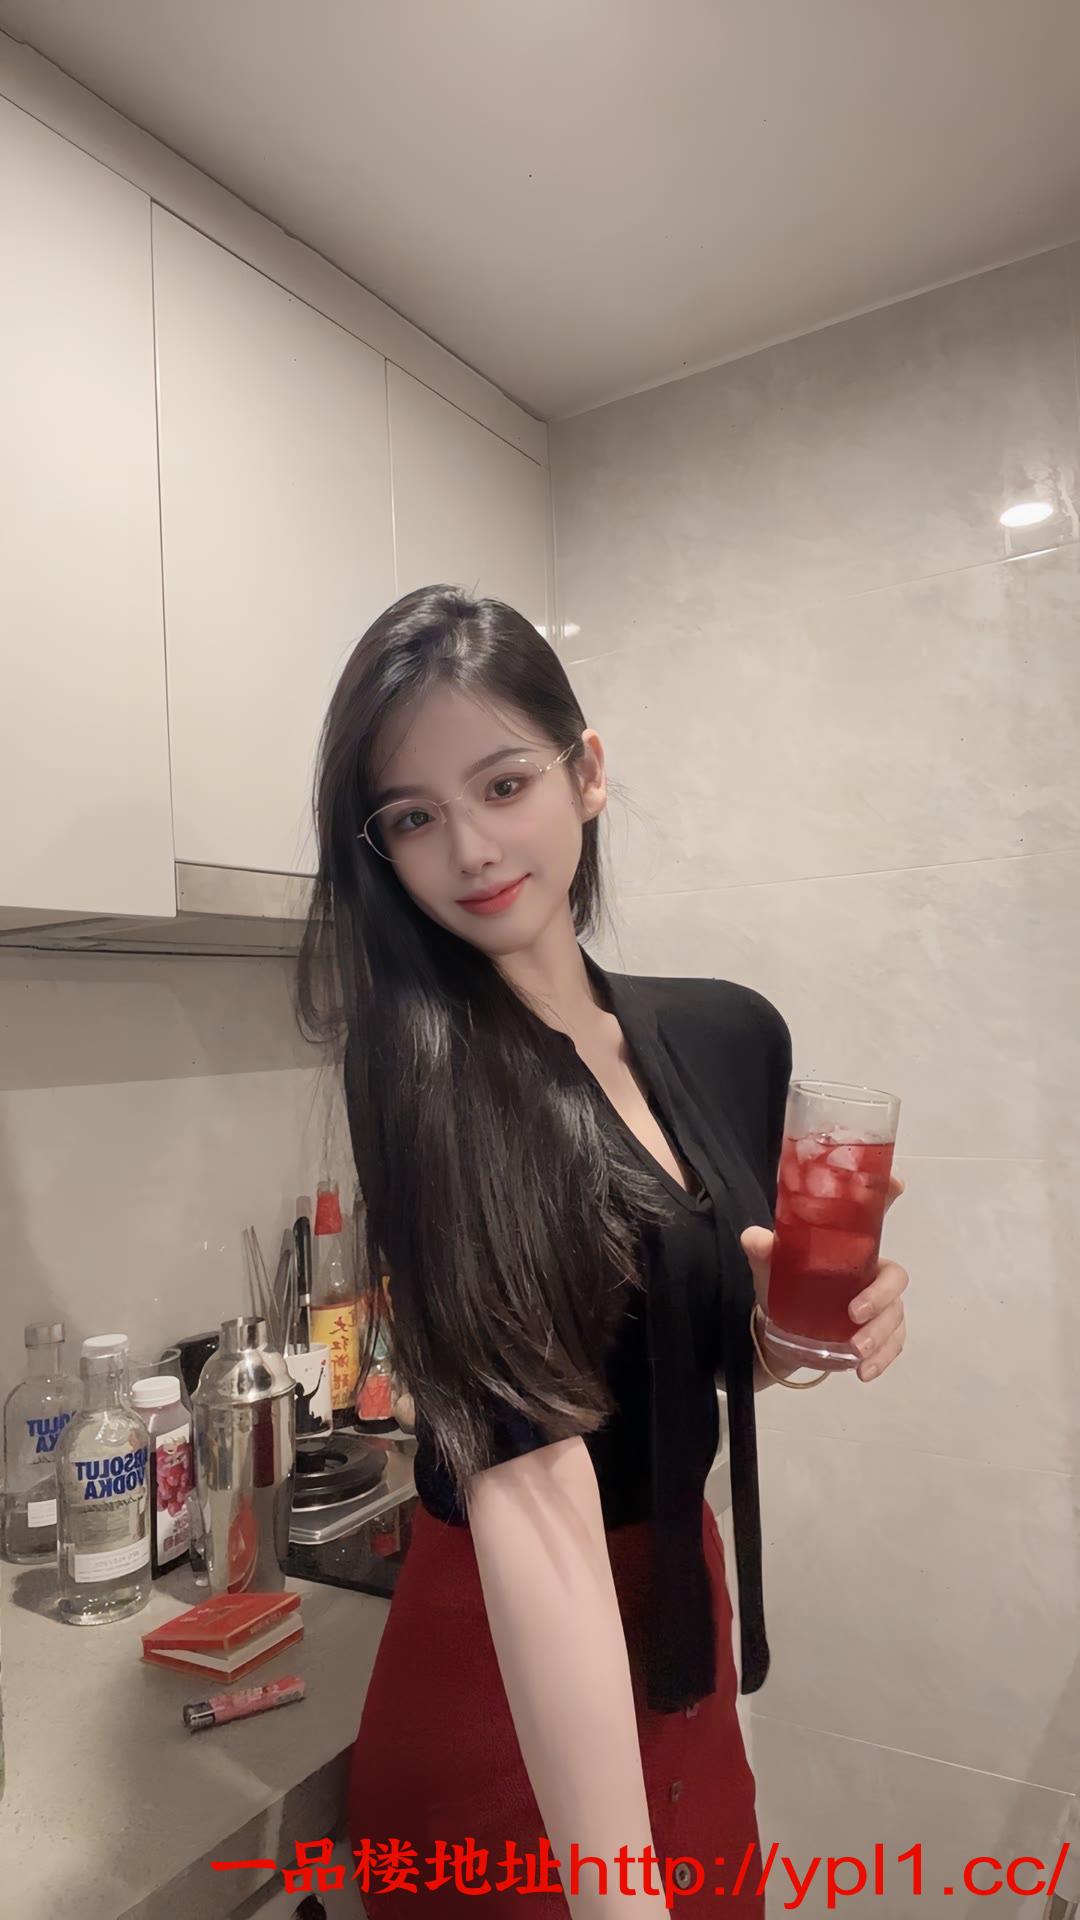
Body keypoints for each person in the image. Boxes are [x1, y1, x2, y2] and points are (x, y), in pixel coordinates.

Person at [296, 586, 908, 1917]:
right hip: (507, 1653)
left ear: (586, 772)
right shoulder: (425, 1074)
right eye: (413, 817)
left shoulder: (728, 1034)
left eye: (503, 784)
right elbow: (529, 1487)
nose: (470, 848)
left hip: (680, 1612)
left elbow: (680, 1359)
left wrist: (783, 1326)